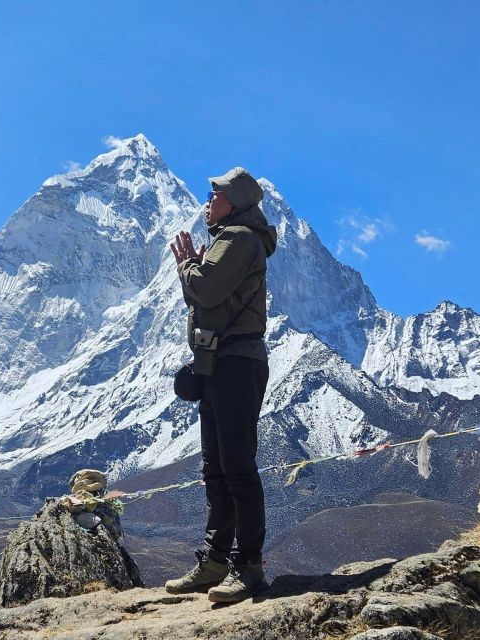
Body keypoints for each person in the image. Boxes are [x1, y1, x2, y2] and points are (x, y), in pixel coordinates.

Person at [165, 167, 277, 603]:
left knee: (237, 467)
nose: (208, 201)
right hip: (218, 364)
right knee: (216, 468)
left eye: (216, 194)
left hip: (236, 363)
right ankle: (215, 559)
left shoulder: (239, 239)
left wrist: (187, 264)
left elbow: (206, 292)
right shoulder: (229, 236)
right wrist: (194, 264)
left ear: (236, 201)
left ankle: (248, 565)